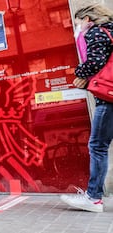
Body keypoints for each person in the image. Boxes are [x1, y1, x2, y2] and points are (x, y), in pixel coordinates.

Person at [60, 4, 113, 213]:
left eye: (78, 22)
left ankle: (93, 198)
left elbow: (95, 62)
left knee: (98, 146)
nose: (78, 27)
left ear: (88, 19)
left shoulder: (97, 32)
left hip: (108, 98)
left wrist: (79, 73)